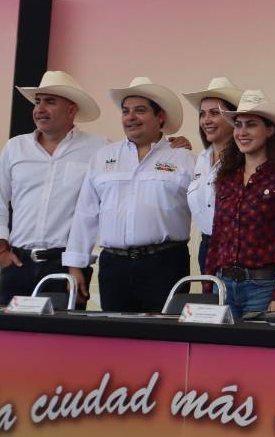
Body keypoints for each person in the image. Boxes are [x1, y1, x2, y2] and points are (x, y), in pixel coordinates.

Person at [65, 77, 195, 312]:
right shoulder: (103, 156)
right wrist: (75, 266)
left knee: (164, 339)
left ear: (160, 117)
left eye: (140, 110)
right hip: (114, 266)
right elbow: (85, 214)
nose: (130, 117)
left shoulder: (184, 158)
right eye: (126, 111)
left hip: (165, 263)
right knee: (116, 340)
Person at [0, 71, 105, 307]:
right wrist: (1, 252)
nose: (39, 108)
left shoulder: (99, 148)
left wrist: (171, 146)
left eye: (50, 102)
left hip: (65, 265)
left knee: (60, 341)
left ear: (72, 110)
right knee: (8, 338)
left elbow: (134, 162)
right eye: (37, 101)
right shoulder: (15, 147)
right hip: (17, 263)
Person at [206, 90, 275, 318]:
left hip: (264, 287)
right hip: (222, 285)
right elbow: (217, 237)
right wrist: (208, 289)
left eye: (250, 125)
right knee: (218, 353)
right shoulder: (227, 176)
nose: (241, 132)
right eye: (238, 125)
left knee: (260, 354)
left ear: (270, 130)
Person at [182, 77, 243, 276]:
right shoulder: (199, 158)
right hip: (207, 247)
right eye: (202, 114)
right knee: (210, 306)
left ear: (234, 118)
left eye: (215, 113)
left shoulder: (247, 159)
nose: (206, 120)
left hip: (239, 249)